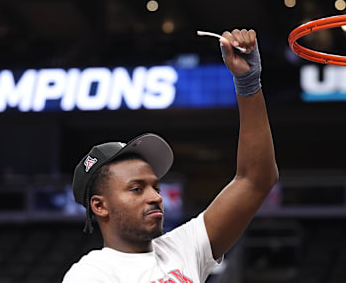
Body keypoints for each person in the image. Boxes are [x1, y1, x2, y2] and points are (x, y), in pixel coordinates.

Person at [63, 29, 278, 283]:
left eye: (155, 186)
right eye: (136, 189)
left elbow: (256, 180)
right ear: (100, 206)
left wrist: (248, 83)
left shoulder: (182, 248)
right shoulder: (91, 273)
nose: (155, 197)